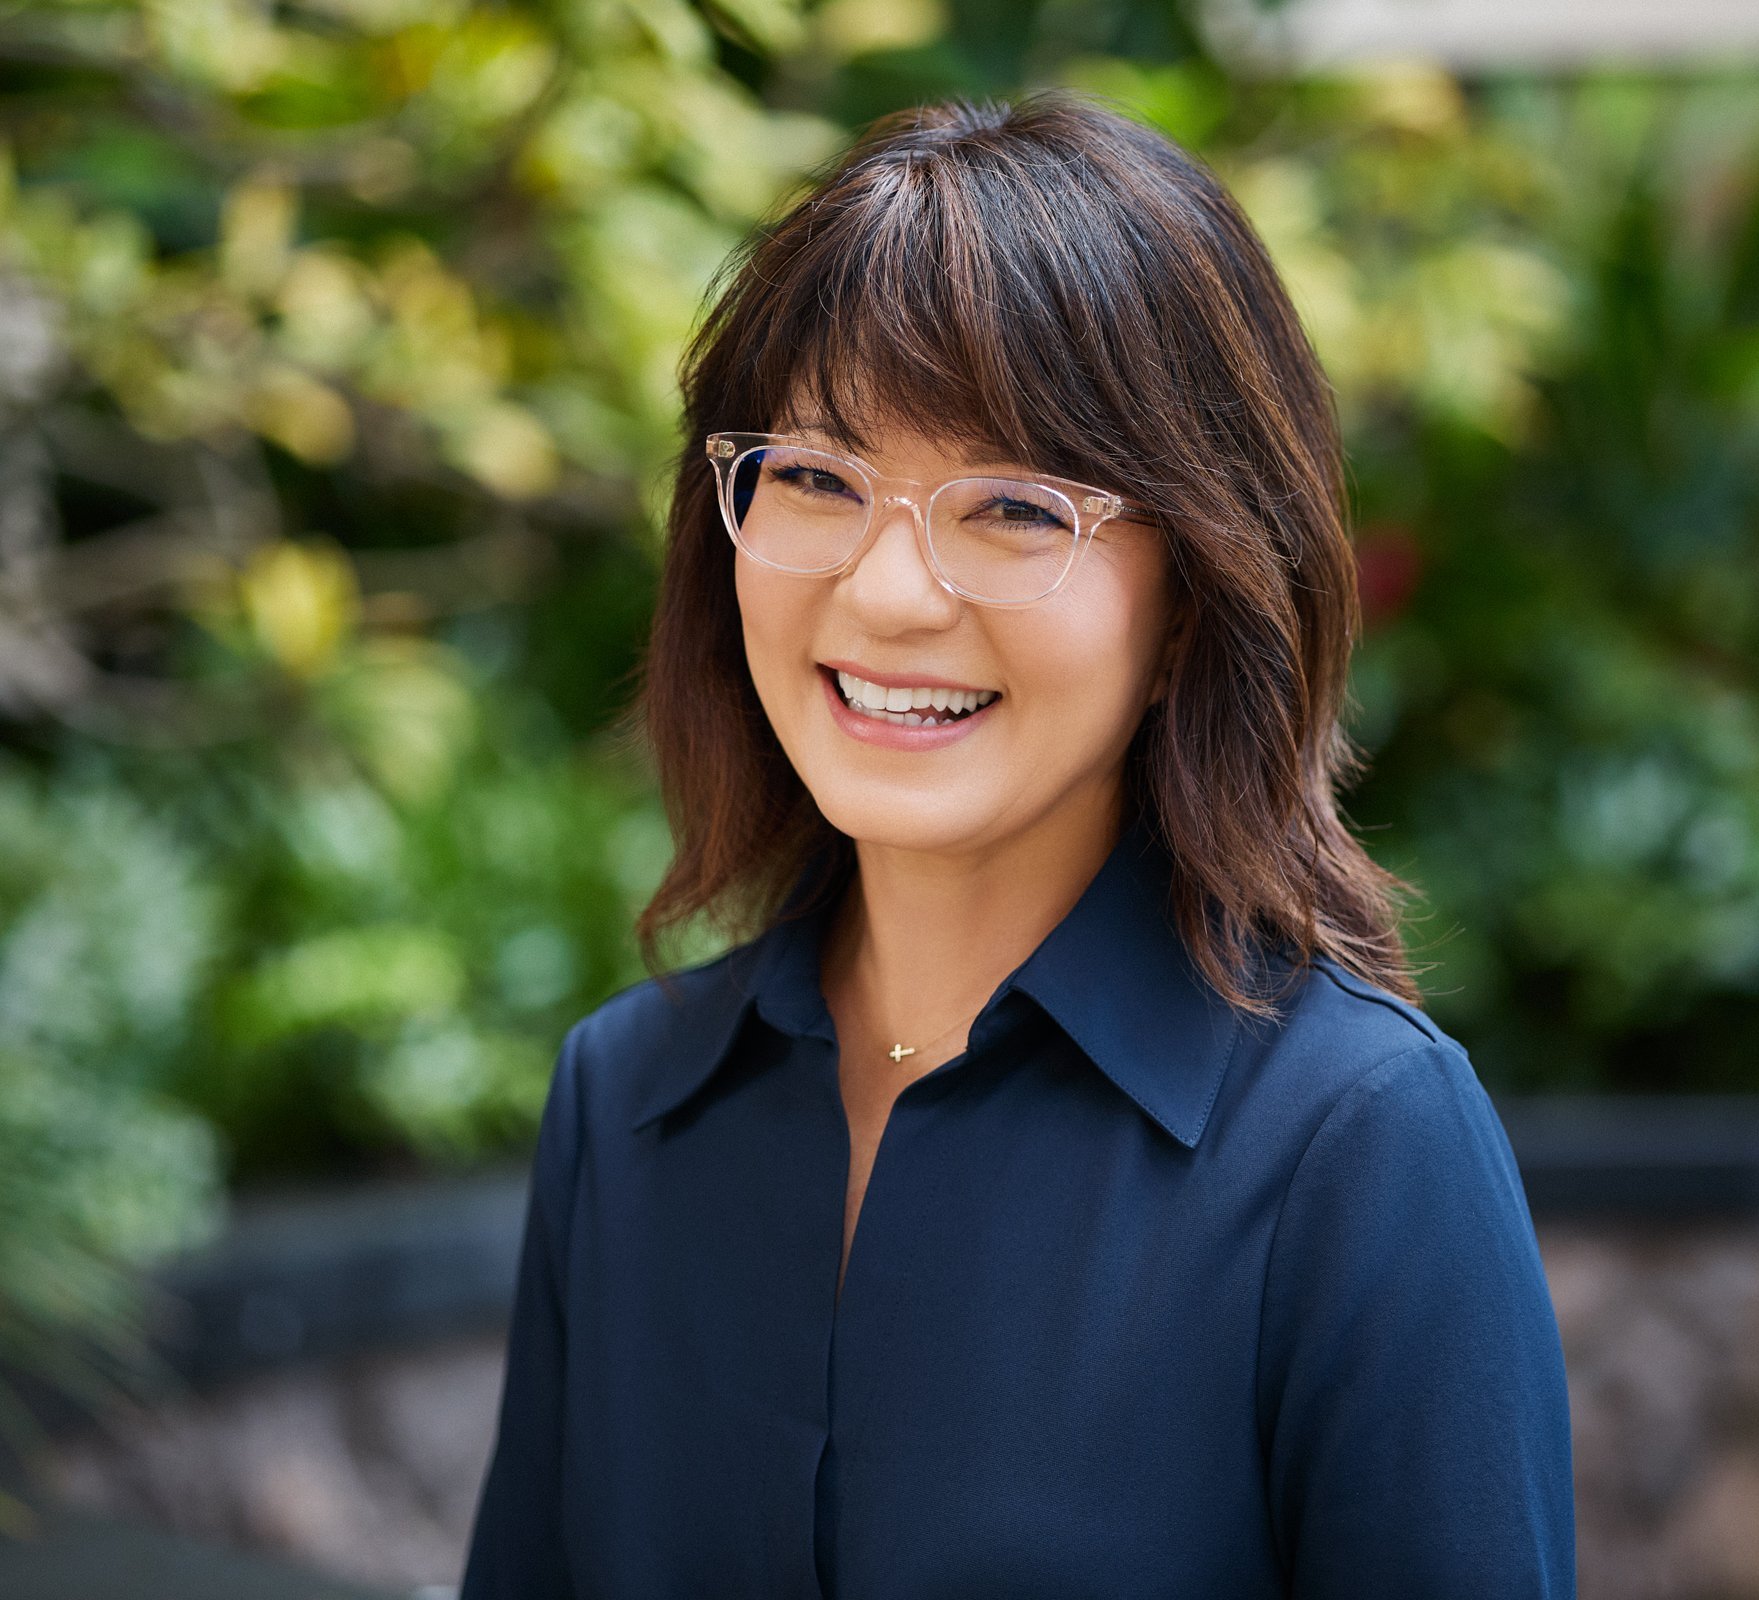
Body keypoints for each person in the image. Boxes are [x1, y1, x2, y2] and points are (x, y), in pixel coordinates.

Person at [460, 91, 1574, 1600]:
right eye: (813, 478)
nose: (890, 592)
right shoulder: (627, 1108)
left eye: (1011, 506)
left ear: (1192, 597)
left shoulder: (1360, 1153)